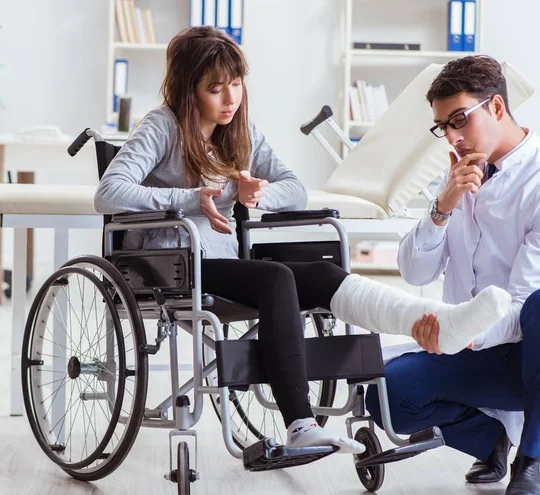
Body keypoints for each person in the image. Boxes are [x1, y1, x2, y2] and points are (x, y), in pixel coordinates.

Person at [94, 28, 511, 455]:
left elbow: (293, 187)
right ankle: (300, 423)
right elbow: (108, 192)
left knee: (322, 274)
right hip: (175, 264)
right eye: (215, 89)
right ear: (187, 89)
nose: (230, 98)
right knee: (275, 278)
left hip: (222, 264)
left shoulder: (239, 131)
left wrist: (256, 194)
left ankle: (441, 323)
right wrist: (190, 199)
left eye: (236, 84)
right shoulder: (161, 126)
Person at [365, 55, 540, 494]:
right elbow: (414, 269)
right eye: (442, 126)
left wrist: (461, 331)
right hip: (479, 346)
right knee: (387, 395)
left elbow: (525, 304)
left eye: (460, 120)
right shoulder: (457, 173)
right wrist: (442, 208)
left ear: (495, 107)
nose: (451, 137)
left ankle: (533, 459)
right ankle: (490, 439)